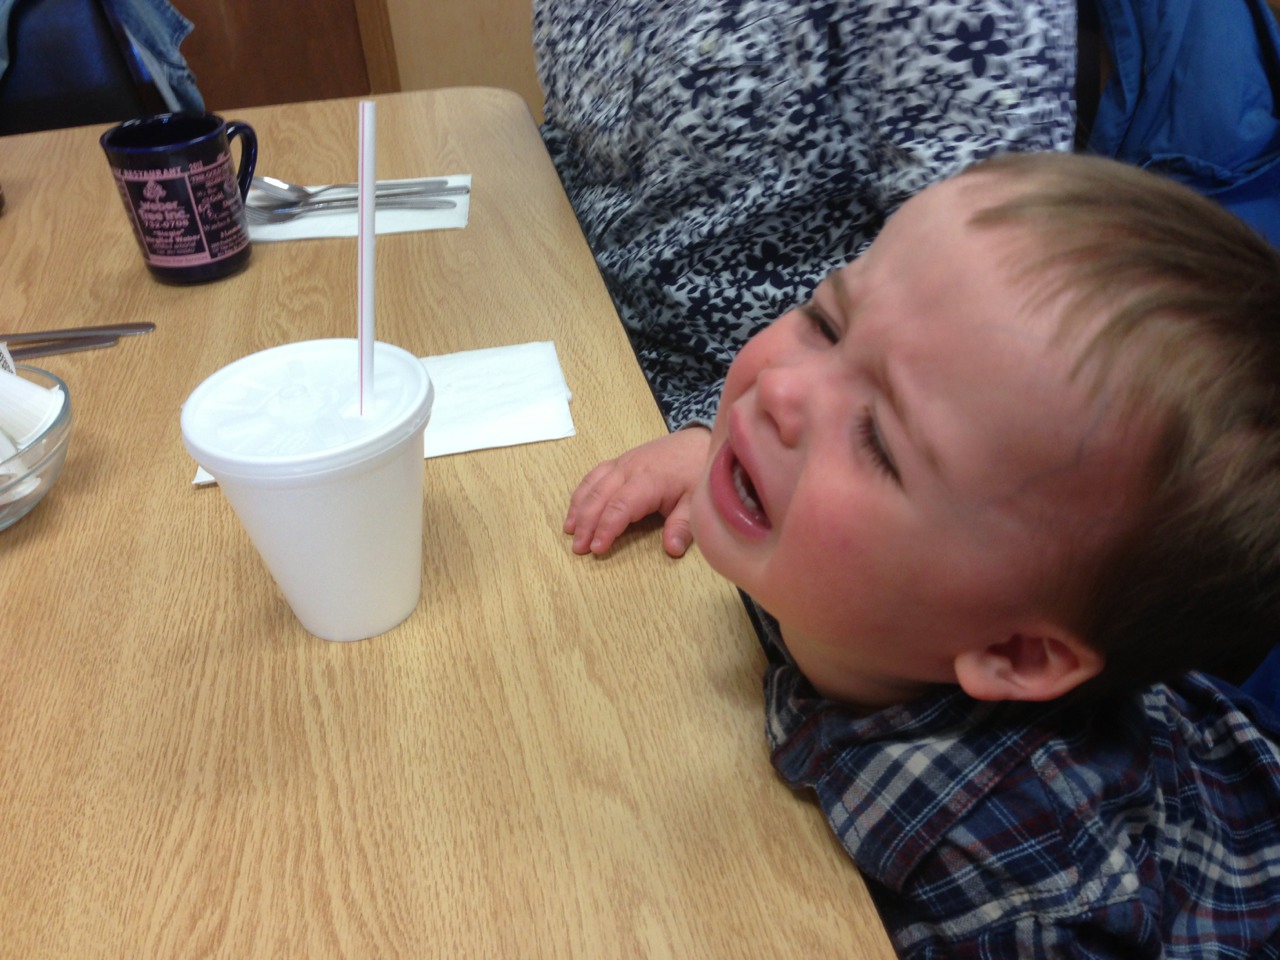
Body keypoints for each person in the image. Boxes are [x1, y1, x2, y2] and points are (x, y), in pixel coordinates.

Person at [566, 152, 1280, 955]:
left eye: (878, 440)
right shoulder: (885, 602)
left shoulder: (1019, 894)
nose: (783, 392)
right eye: (827, 323)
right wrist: (711, 450)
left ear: (1014, 652)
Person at [540, 0, 1280, 560]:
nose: (785, 392)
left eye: (828, 324)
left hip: (737, 439)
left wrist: (725, 429)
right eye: (825, 325)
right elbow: (585, 144)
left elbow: (976, 299)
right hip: (579, 318)